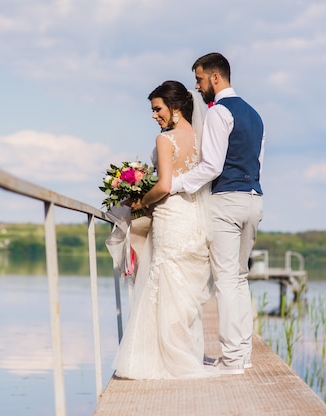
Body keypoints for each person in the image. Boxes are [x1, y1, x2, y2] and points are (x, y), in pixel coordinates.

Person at [111, 80, 215, 379]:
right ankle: (182, 352)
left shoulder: (165, 140)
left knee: (164, 280)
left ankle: (161, 359)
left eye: (158, 109)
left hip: (171, 215)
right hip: (194, 215)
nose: (154, 115)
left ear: (176, 107)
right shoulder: (199, 135)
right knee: (181, 288)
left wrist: (140, 201)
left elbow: (165, 186)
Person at [170, 52, 265, 375]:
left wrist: (175, 185)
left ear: (215, 77)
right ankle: (244, 353)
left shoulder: (218, 112)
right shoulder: (255, 115)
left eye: (199, 79)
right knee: (239, 278)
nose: (197, 87)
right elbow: (258, 163)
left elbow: (211, 166)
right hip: (254, 199)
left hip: (227, 200)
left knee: (226, 280)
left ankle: (230, 360)